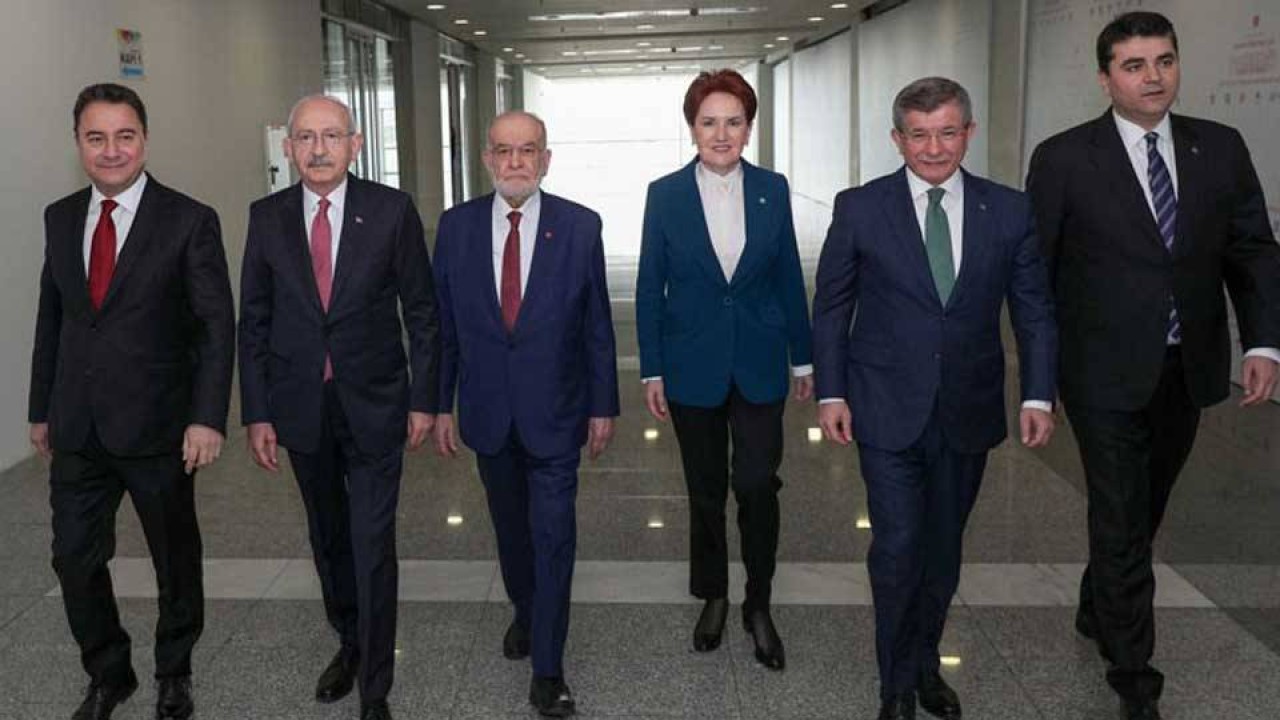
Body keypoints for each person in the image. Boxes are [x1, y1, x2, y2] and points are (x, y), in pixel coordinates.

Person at [1026, 11, 1280, 720]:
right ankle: (1134, 673)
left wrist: (1263, 344)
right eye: (1134, 65)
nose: (1153, 77)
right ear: (1105, 77)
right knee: (1118, 512)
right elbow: (1036, 273)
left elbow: (1252, 250)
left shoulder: (1218, 147)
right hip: (1099, 371)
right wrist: (1039, 381)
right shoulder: (1065, 158)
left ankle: (1097, 602)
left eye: (1164, 61)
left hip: (1186, 368)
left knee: (1145, 507)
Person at [813, 77, 1057, 720]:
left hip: (967, 409)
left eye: (947, 132)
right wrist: (831, 391)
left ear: (968, 132)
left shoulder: (1009, 211)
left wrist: (1038, 395)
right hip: (884, 407)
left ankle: (925, 663)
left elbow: (1033, 310)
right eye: (919, 134)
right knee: (897, 547)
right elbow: (832, 306)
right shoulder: (861, 208)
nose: (933, 148)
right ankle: (894, 685)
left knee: (943, 552)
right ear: (897, 139)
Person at [28, 82, 235, 720]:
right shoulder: (61, 217)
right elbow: (53, 317)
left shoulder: (189, 219)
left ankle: (175, 671)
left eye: (124, 136)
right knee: (73, 557)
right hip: (79, 425)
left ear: (144, 140)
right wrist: (41, 408)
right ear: (78, 143)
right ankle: (108, 673)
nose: (111, 150)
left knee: (175, 560)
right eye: (96, 137)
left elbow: (215, 326)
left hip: (159, 426)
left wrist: (206, 417)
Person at [237, 95, 440, 720]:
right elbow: (255, 320)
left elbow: (422, 311)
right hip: (301, 406)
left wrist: (425, 398)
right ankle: (349, 641)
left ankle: (375, 687)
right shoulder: (267, 217)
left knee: (371, 542)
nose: (318, 149)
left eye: (331, 136)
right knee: (328, 538)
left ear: (355, 144)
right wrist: (257, 412)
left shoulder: (391, 211)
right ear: (288, 147)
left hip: (376, 403)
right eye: (305, 137)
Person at [431, 110, 619, 718]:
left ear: (546, 159)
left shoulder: (580, 226)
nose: (515, 162)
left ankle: (548, 668)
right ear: (487, 158)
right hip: (488, 412)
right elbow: (443, 327)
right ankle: (525, 608)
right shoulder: (456, 228)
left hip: (557, 411)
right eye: (504, 151)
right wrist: (438, 404)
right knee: (511, 533)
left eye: (528, 150)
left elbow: (596, 325)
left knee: (554, 535)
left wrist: (602, 406)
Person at [635, 69, 812, 671]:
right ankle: (713, 594)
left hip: (759, 360)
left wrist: (804, 356)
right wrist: (652, 369)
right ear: (692, 128)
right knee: (705, 489)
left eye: (733, 121)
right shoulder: (665, 194)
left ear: (748, 127)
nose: (721, 133)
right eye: (708, 122)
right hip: (692, 362)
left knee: (758, 484)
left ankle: (758, 602)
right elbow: (649, 285)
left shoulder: (772, 188)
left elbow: (787, 273)